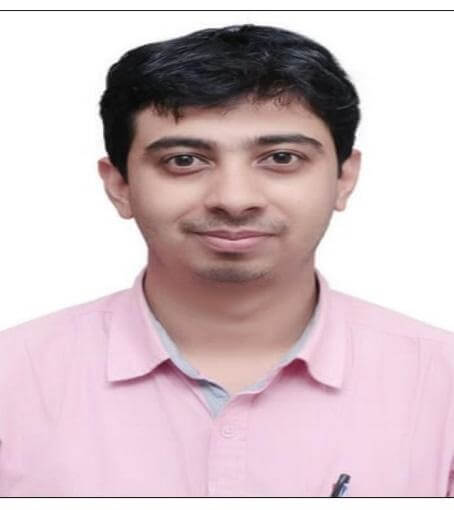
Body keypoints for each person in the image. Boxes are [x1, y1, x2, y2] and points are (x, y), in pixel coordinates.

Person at [0, 23, 453, 498]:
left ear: (344, 179)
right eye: (184, 161)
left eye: (281, 158)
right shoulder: (12, 381)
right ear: (119, 186)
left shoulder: (442, 384)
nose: (234, 200)